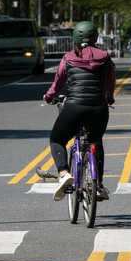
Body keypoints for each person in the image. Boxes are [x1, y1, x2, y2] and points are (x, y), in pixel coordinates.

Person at [44, 21, 116, 202]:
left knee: (57, 139)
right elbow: (110, 81)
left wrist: (49, 96)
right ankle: (98, 185)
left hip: (74, 107)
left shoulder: (68, 57)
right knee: (96, 141)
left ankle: (63, 172)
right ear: (96, 37)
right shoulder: (105, 57)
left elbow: (58, 82)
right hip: (98, 108)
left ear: (74, 37)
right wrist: (109, 97)